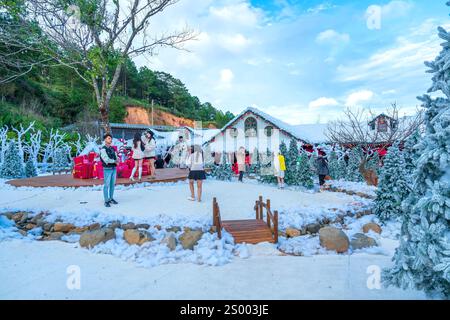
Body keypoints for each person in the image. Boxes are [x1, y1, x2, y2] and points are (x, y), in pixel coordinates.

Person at [100, 133, 120, 207]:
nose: (110, 139)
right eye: (108, 138)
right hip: (107, 169)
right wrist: (114, 161)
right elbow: (106, 160)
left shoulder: (112, 148)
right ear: (105, 139)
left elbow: (116, 156)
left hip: (114, 168)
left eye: (111, 138)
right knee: (106, 185)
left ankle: (111, 198)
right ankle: (106, 200)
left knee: (112, 185)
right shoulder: (103, 149)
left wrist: (118, 159)